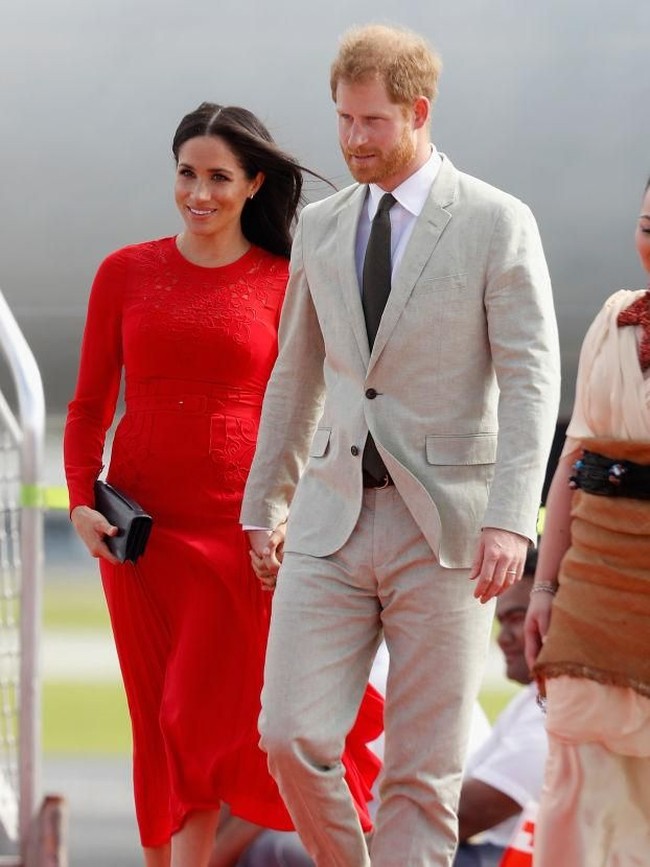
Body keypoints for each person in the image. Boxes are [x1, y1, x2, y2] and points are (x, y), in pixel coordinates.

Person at [241, 23, 561, 867]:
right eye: (343, 119)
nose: (352, 140)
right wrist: (262, 502)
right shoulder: (322, 226)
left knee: (422, 778)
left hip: (448, 532)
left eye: (371, 122)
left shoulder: (496, 221)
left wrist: (510, 521)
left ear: (418, 112)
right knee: (287, 733)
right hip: (331, 519)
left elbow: (532, 380)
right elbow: (295, 378)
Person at [63, 102, 381, 867]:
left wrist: (292, 512)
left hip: (245, 530)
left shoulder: (285, 280)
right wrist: (80, 497)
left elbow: (317, 410)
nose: (198, 192)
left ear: (252, 184)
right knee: (163, 723)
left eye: (217, 177)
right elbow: (88, 406)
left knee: (228, 720)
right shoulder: (124, 271)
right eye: (186, 173)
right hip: (145, 537)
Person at [524, 179, 650, 865]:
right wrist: (545, 588)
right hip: (592, 588)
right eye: (648, 226)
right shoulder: (615, 315)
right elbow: (576, 457)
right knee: (573, 778)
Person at [455, 549, 547, 867]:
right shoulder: (536, 696)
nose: (503, 639)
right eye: (501, 622)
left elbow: (468, 814)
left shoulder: (558, 705)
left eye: (517, 619)